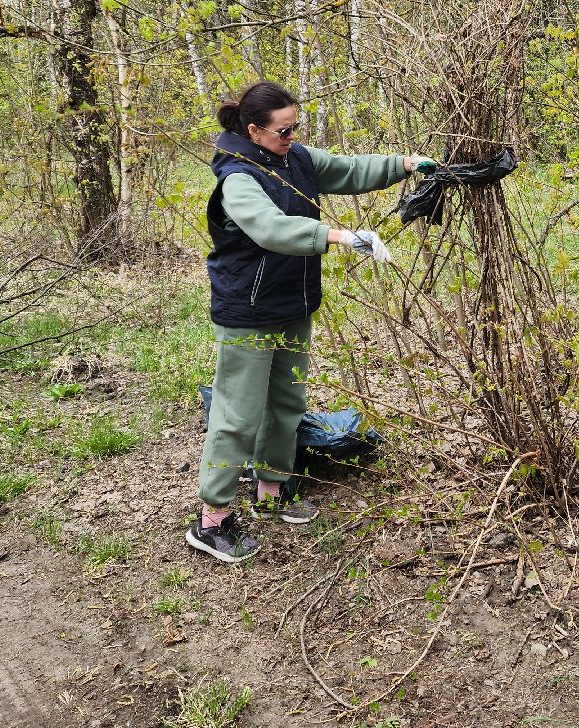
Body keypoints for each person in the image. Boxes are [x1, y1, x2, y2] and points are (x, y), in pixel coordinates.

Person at [185, 81, 432, 564]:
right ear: (254, 131)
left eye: (296, 127)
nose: (292, 137)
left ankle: (272, 494)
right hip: (249, 312)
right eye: (283, 130)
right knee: (237, 413)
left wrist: (405, 164)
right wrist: (340, 236)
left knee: (287, 400)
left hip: (293, 304)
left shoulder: (293, 157)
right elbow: (272, 229)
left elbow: (347, 169)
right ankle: (211, 520)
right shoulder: (238, 177)